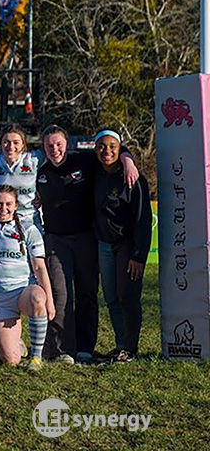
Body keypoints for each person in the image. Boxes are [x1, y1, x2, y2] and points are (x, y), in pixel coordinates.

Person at [37, 124, 139, 364]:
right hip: (56, 240)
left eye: (59, 144)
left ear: (67, 145)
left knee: (87, 292)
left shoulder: (83, 161)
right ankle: (62, 349)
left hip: (85, 237)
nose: (55, 150)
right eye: (50, 146)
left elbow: (111, 152)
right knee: (61, 294)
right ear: (43, 148)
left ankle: (84, 347)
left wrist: (128, 160)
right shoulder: (39, 171)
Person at [0, 185, 55, 370]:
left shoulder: (28, 229)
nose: (3, 208)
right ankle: (16, 344)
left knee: (36, 297)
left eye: (8, 204)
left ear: (16, 205)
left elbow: (40, 267)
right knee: (10, 360)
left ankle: (36, 357)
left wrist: (49, 301)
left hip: (23, 292)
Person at [93, 129, 151, 363]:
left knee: (127, 296)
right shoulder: (95, 171)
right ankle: (120, 345)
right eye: (102, 146)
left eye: (113, 147)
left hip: (127, 245)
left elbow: (143, 219)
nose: (107, 151)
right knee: (111, 296)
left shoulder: (133, 179)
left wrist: (139, 255)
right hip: (104, 244)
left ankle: (131, 347)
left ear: (120, 149)